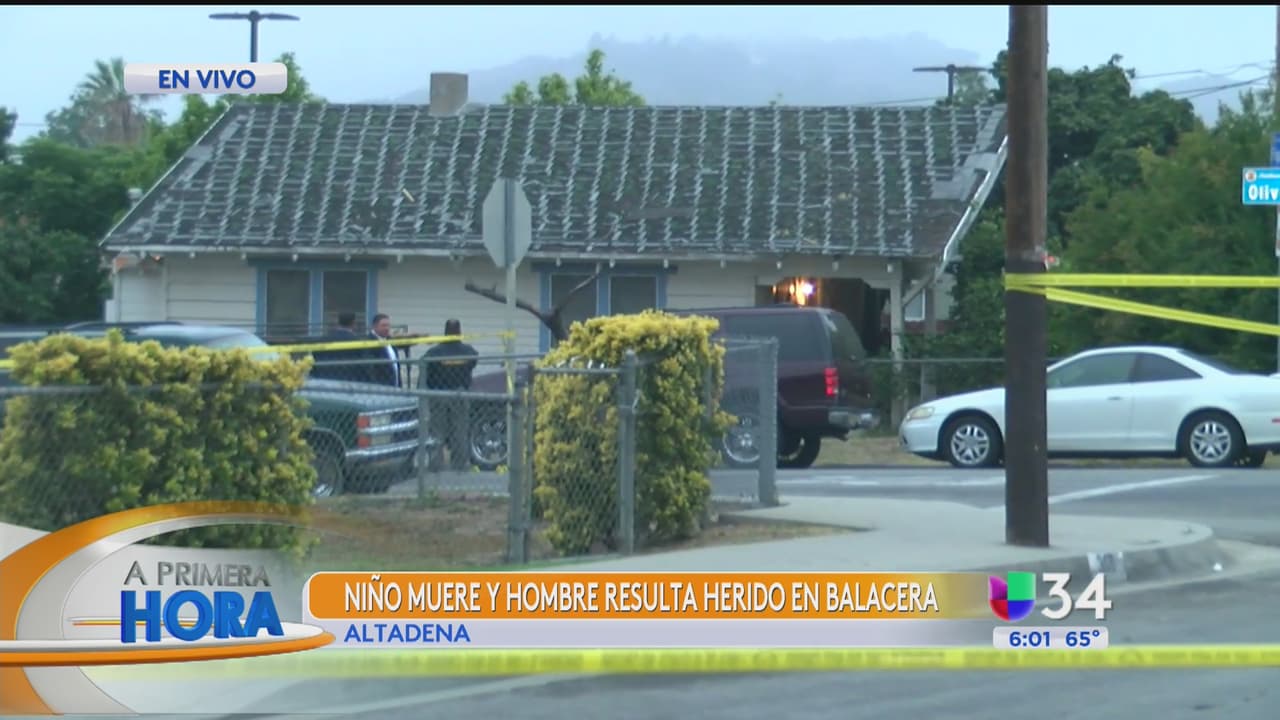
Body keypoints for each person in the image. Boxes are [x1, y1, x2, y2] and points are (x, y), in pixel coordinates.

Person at [419, 319, 479, 470]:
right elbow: (473, 362)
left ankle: (436, 463)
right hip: (460, 394)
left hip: (438, 394)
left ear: (445, 332)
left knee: (436, 430)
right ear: (460, 332)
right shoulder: (468, 352)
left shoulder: (434, 352)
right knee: (460, 429)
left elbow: (424, 368)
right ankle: (460, 463)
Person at [312, 312, 362, 383]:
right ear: (353, 323)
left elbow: (314, 357)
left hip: (324, 378)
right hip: (349, 379)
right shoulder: (358, 342)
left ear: (338, 322)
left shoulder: (323, 339)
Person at [366, 313, 401, 387]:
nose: (387, 328)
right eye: (383, 325)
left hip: (394, 385)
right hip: (379, 386)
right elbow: (370, 368)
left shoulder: (390, 341)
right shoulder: (368, 342)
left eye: (388, 325)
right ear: (375, 326)